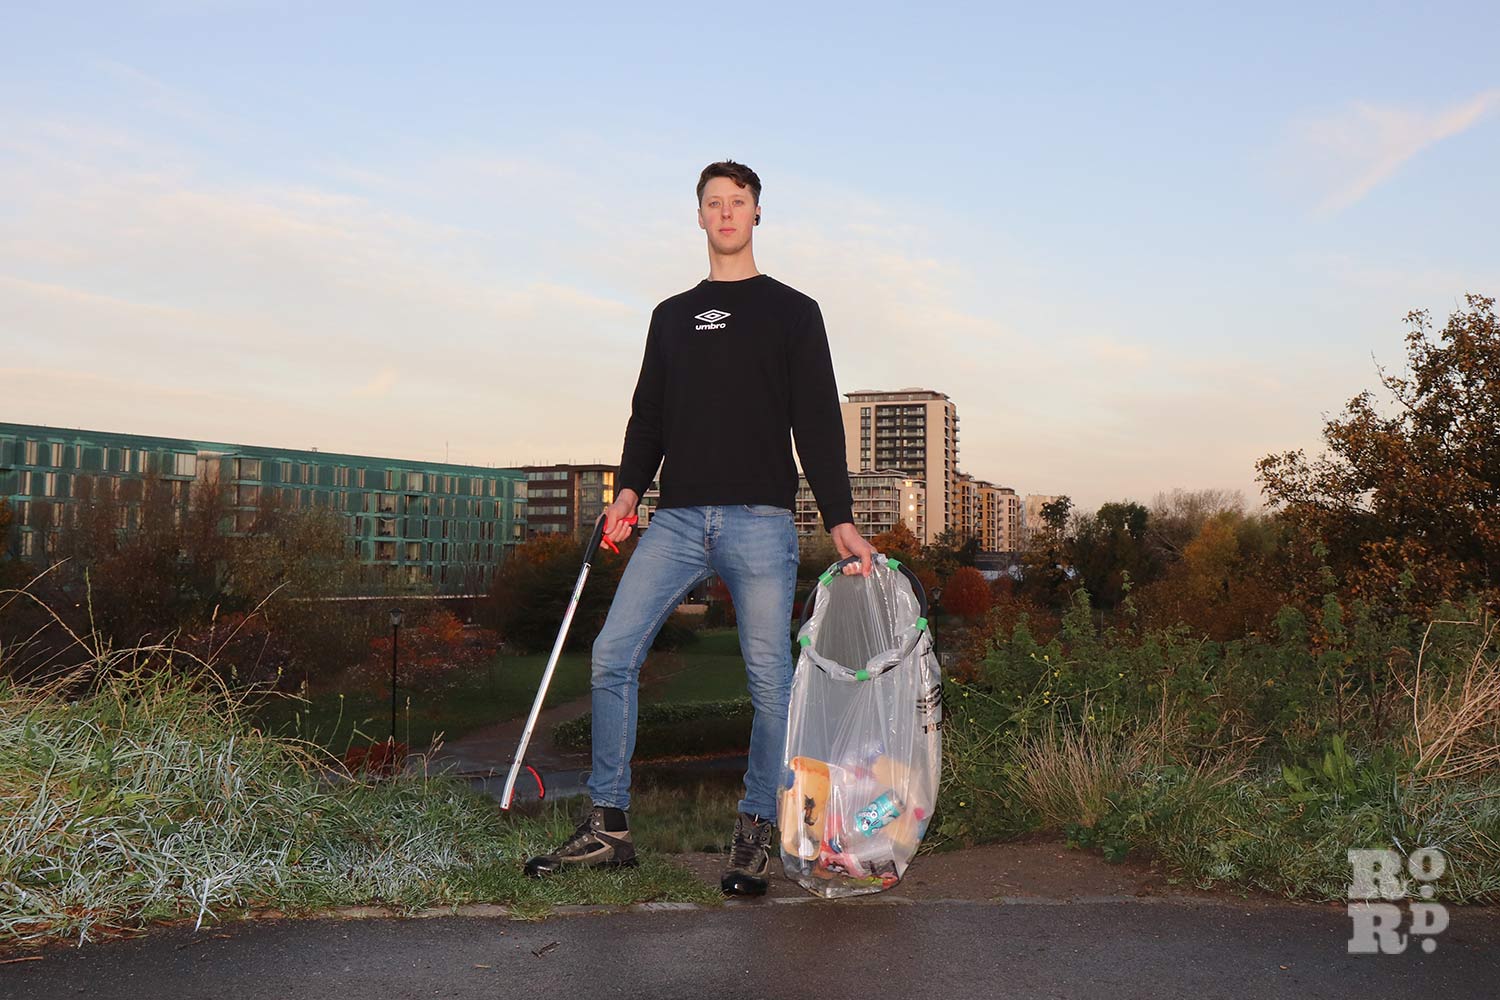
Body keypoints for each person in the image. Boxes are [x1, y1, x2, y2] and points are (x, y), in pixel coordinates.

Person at [524, 160, 875, 896]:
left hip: (760, 522)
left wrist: (840, 518)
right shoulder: (670, 316)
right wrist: (625, 490)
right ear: (699, 216)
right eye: (713, 202)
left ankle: (753, 833)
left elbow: (816, 421)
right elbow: (647, 414)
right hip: (677, 519)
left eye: (737, 202)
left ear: (756, 215)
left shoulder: (793, 311)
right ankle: (609, 826)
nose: (724, 213)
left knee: (768, 684)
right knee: (613, 653)